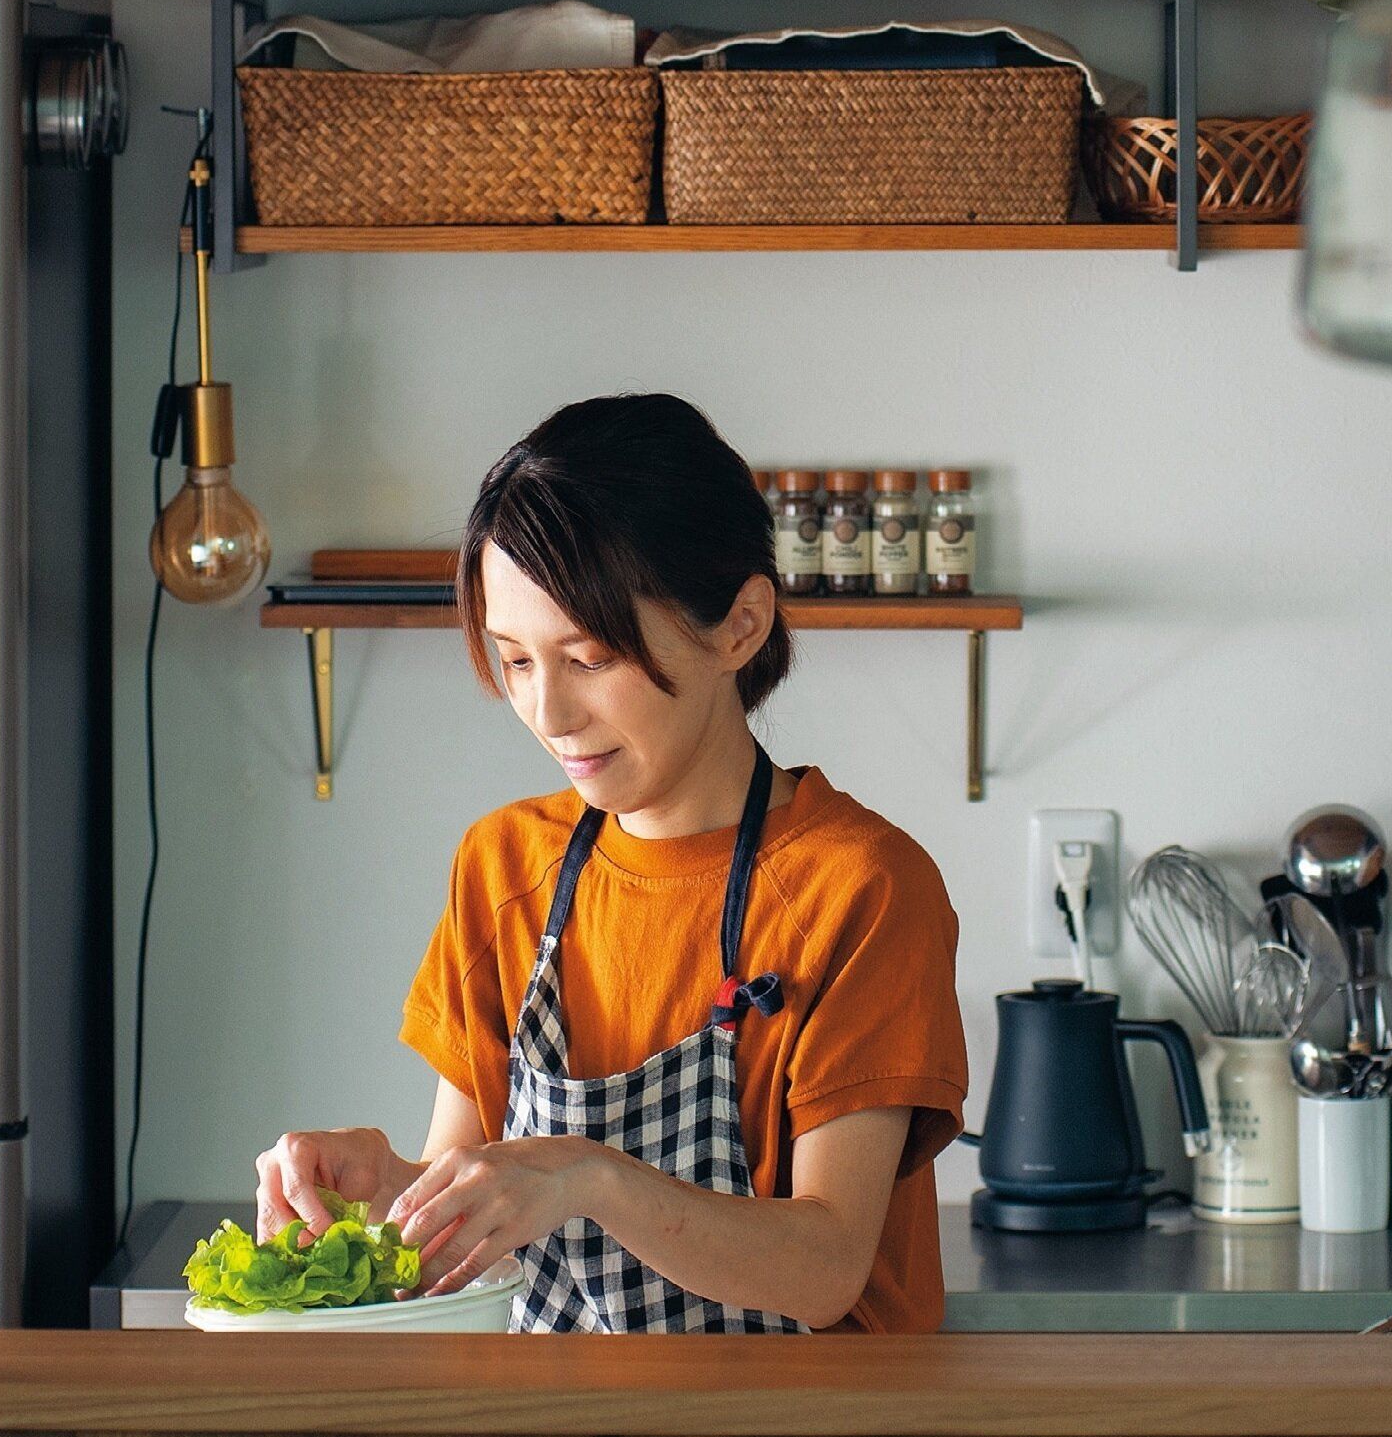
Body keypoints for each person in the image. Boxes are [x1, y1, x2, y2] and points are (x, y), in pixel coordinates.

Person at [256, 393, 967, 1333]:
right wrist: (380, 1188)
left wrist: (593, 1178)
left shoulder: (861, 887)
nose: (547, 713)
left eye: (587, 659)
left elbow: (826, 1260)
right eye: (514, 660)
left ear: (740, 626)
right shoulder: (505, 865)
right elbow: (477, 1204)